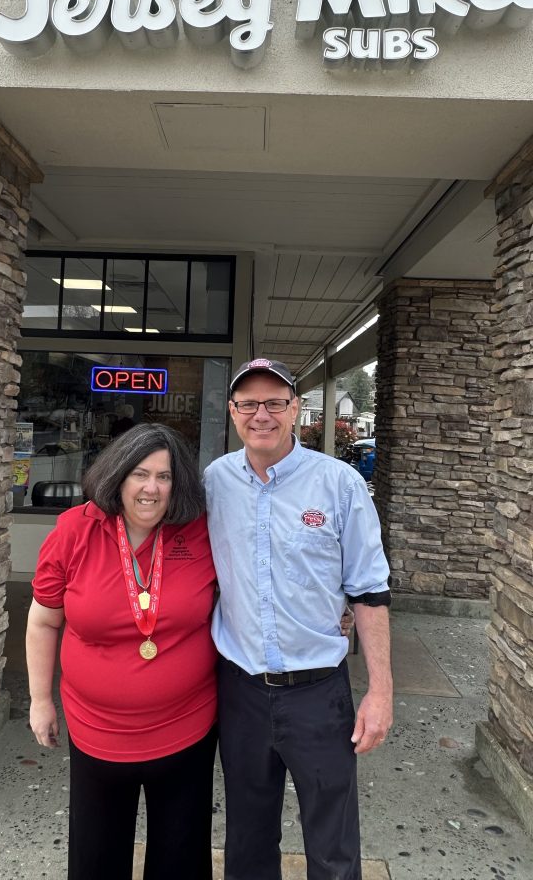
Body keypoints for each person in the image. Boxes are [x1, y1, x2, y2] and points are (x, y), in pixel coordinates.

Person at [204, 358, 393, 880]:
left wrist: (381, 692)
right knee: (247, 837)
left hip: (318, 694)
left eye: (274, 403)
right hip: (239, 690)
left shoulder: (340, 484)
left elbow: (370, 593)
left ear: (294, 410)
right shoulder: (214, 483)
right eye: (248, 404)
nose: (260, 415)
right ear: (233, 411)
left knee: (333, 846)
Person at [26, 423, 217, 880]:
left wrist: (334, 607)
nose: (151, 488)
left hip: (186, 729)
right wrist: (39, 701)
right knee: (96, 857)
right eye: (139, 473)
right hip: (98, 733)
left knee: (181, 858)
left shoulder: (199, 532)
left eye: (164, 476)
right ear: (118, 476)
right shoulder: (75, 530)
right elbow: (44, 619)